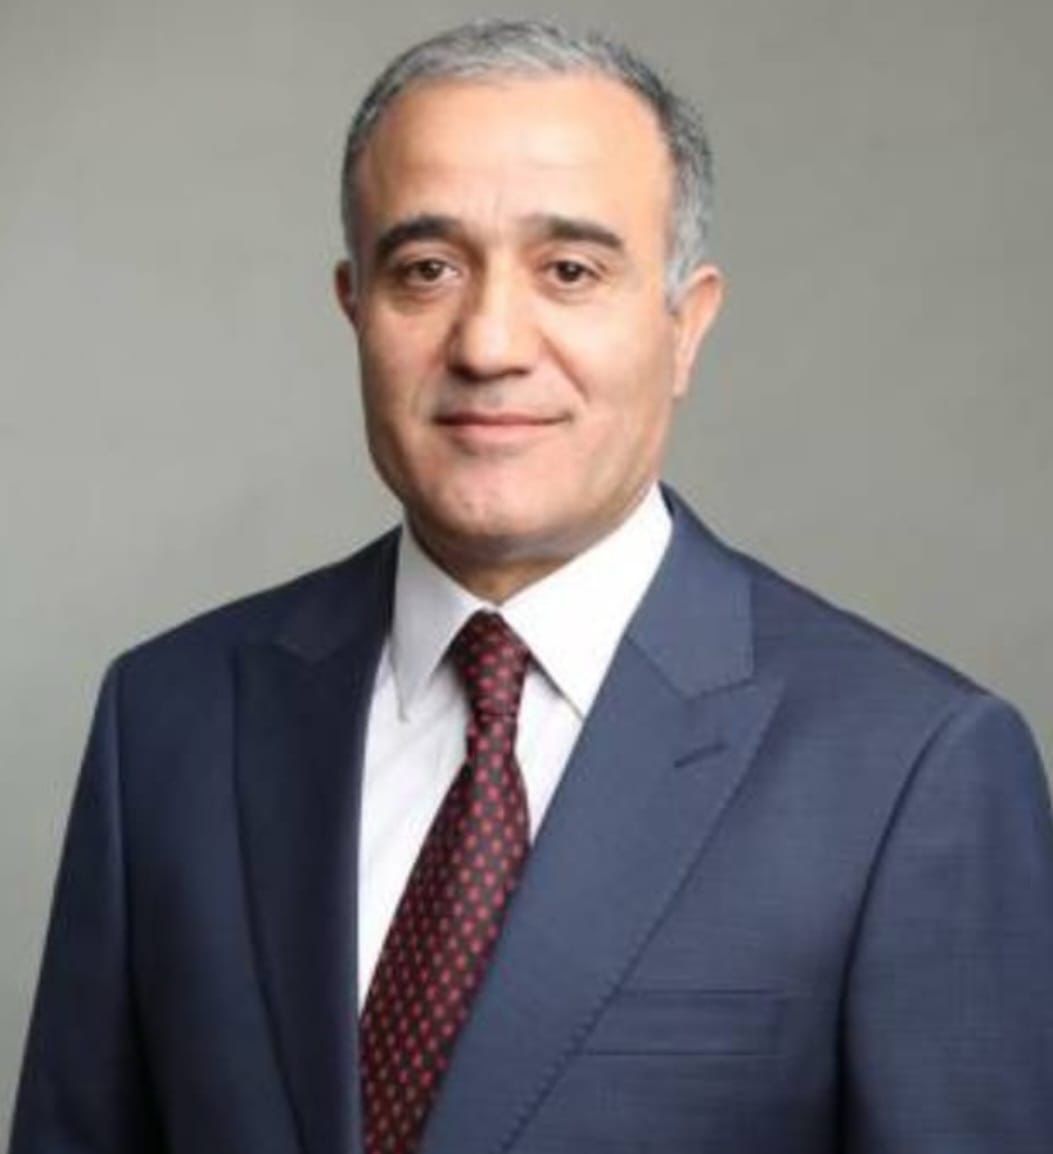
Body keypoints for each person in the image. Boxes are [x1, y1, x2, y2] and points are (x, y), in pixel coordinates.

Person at [9, 18, 1053, 1154]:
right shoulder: (168, 720)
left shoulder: (912, 769)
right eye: (427, 270)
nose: (490, 343)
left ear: (685, 325)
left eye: (570, 271)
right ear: (355, 307)